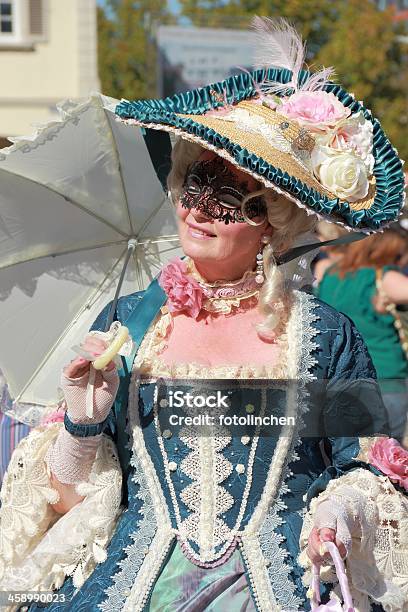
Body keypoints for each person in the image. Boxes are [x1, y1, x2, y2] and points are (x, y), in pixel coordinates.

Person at [1, 18, 407, 612]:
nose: (200, 209)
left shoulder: (323, 336)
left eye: (231, 198)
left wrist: (342, 516)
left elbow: (366, 466)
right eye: (194, 183)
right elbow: (67, 502)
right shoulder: (130, 325)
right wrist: (83, 426)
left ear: (272, 223)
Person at [316, 228, 408, 439]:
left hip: (338, 379)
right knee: (386, 457)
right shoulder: (385, 278)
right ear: (386, 253)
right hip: (385, 378)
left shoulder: (329, 273)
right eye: (400, 256)